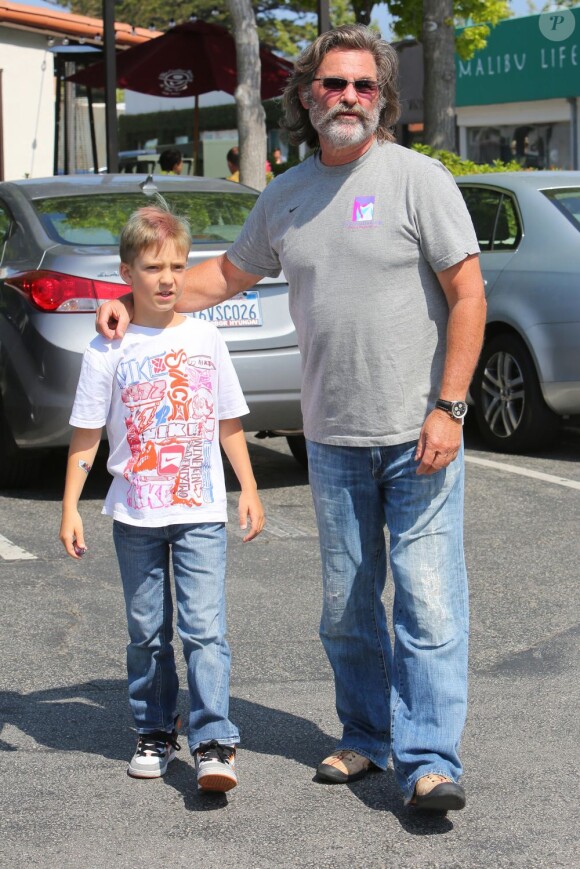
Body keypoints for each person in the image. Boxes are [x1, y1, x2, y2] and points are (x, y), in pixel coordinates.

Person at [96, 24, 487, 812]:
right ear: (308, 96)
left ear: (383, 97)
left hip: (420, 435)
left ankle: (430, 760)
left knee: (428, 602)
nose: (348, 97)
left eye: (364, 86)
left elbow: (469, 295)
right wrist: (127, 300)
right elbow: (223, 277)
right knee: (348, 608)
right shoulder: (286, 195)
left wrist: (449, 406)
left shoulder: (419, 180)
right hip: (332, 439)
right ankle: (367, 737)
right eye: (334, 85)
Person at [61, 206, 264, 792]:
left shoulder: (205, 337)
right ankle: (154, 730)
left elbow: (228, 420)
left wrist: (248, 487)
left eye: (177, 264)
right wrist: (70, 504)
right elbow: (88, 433)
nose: (168, 278)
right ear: (128, 272)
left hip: (200, 512)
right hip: (136, 515)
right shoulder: (108, 349)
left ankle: (213, 740)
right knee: (147, 632)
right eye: (153, 267)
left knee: (206, 630)